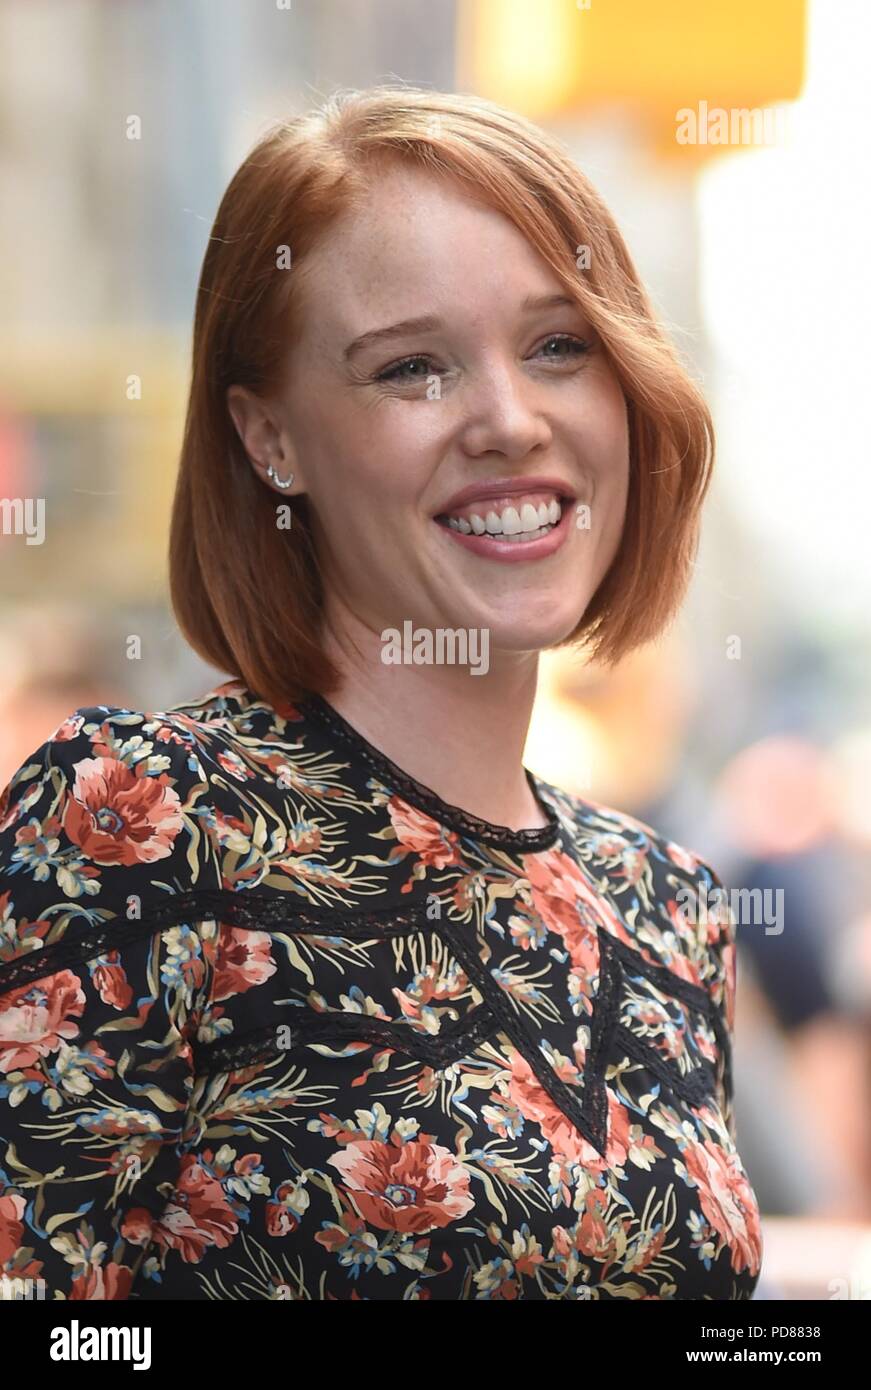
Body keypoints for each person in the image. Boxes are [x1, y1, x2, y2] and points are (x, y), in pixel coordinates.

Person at [0, 85, 762, 1301]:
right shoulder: (146, 823)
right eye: (412, 368)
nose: (511, 420)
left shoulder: (665, 905)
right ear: (271, 440)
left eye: (560, 343)